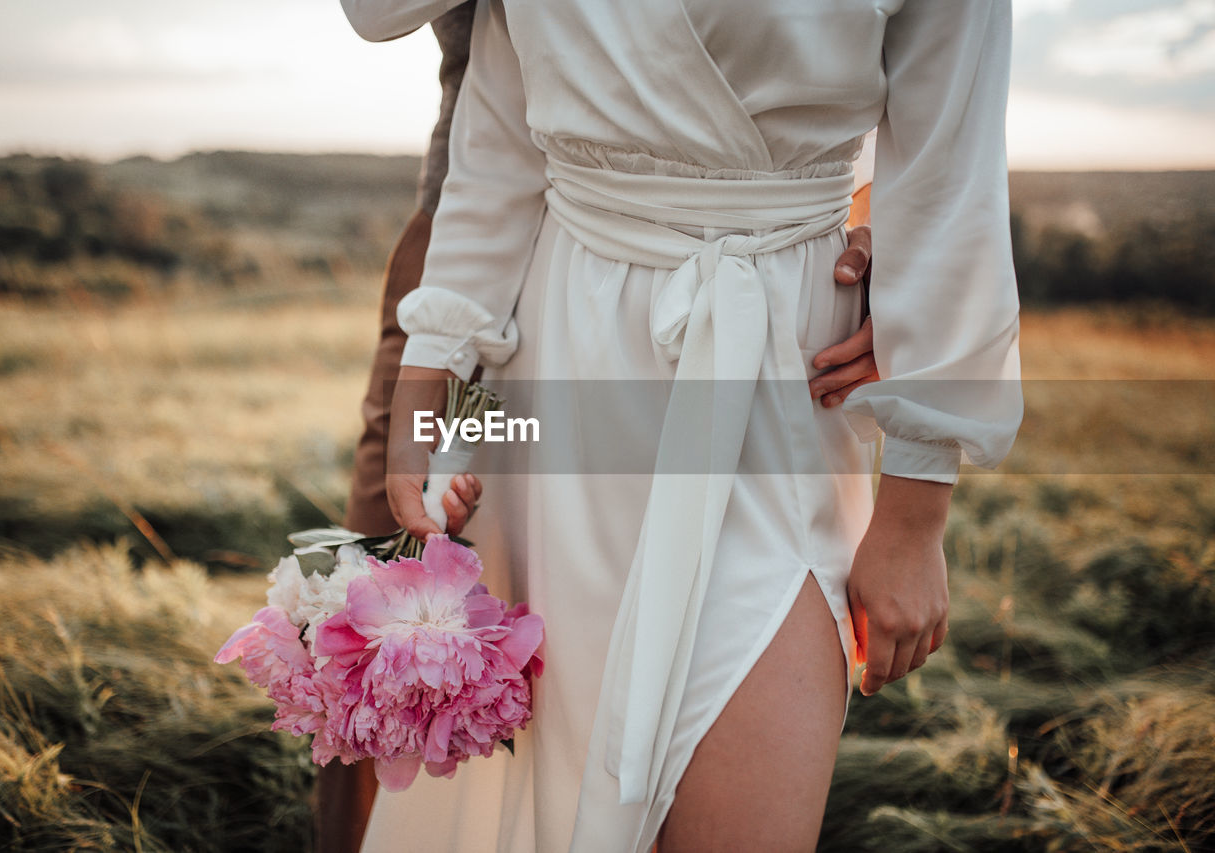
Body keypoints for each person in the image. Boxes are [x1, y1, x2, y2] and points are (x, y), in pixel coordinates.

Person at [343, 1, 1022, 850]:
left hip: (783, 368)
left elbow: (951, 167)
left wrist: (918, 506)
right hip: (563, 348)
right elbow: (500, 139)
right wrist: (431, 363)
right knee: (538, 788)